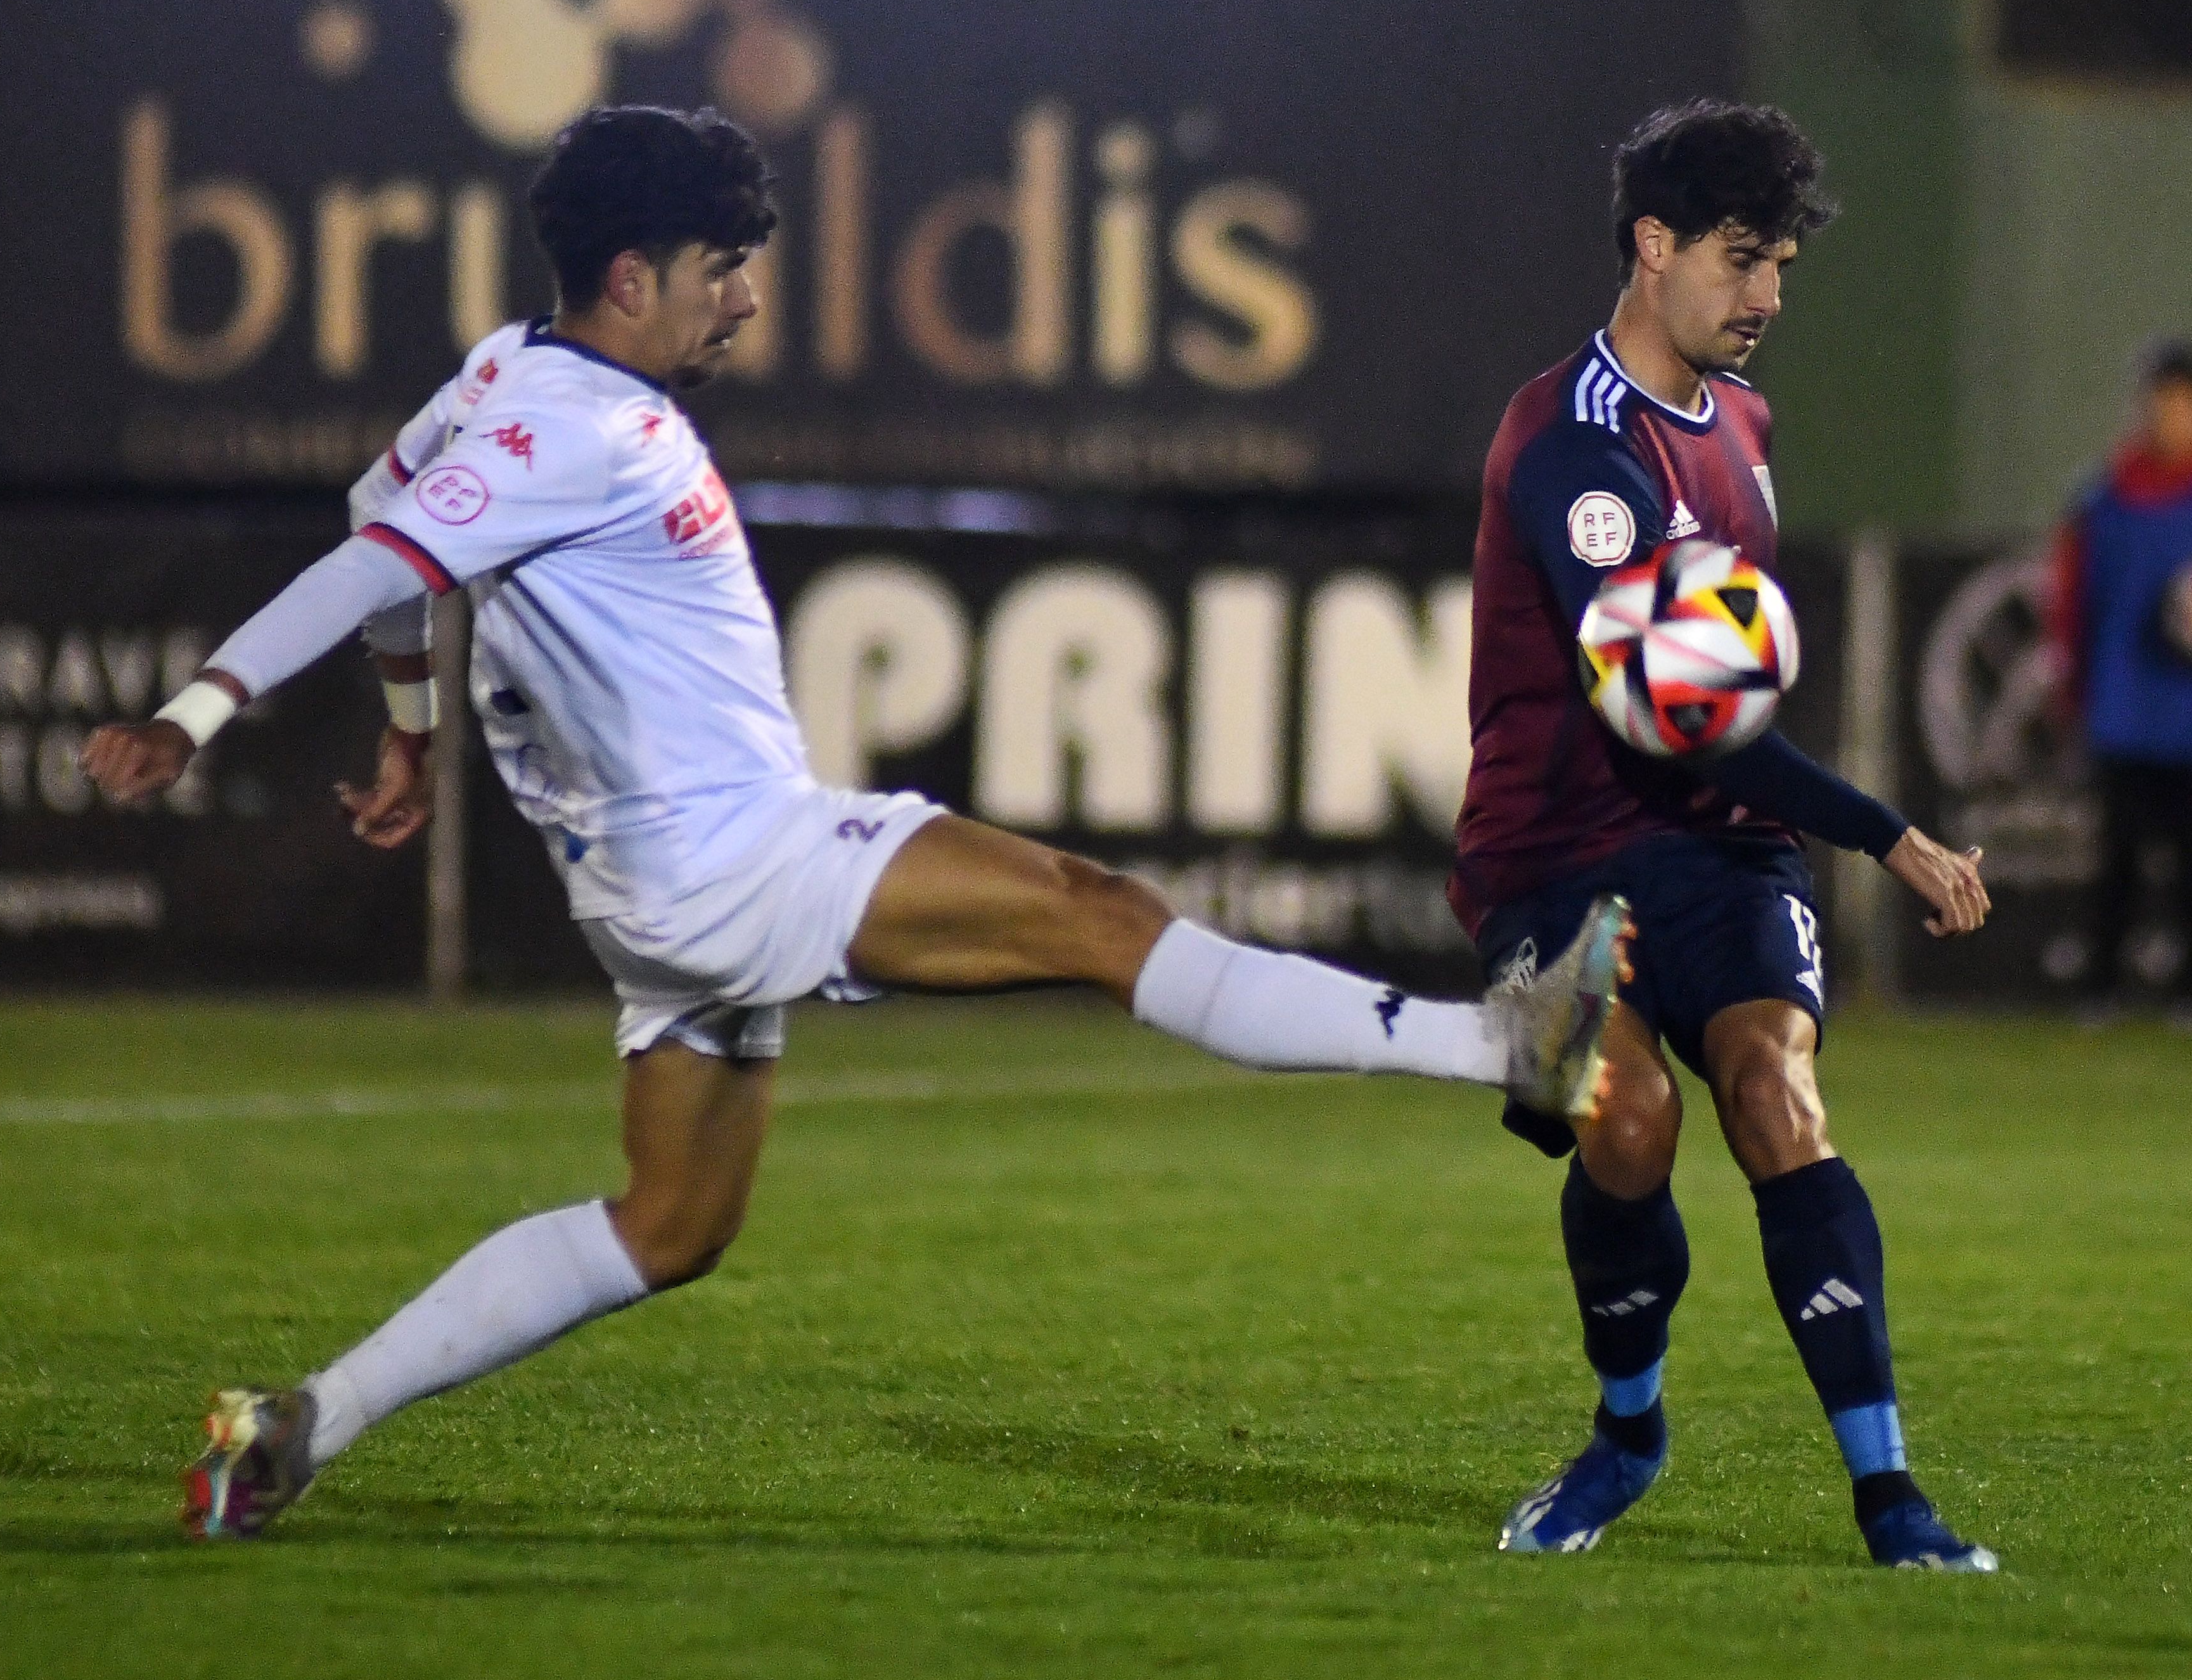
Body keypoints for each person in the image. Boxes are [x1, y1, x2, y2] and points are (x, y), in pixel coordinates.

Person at [80, 105, 1631, 1541]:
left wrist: (410, 730)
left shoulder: (505, 375)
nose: (743, 300)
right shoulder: (580, 430)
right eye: (721, 269)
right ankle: (1502, 1045)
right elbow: (375, 564)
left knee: (670, 1227)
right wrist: (196, 713)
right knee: (1097, 916)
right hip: (728, 854)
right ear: (632, 276)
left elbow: (378, 506)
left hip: (650, 891)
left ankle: (301, 1423)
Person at [1447, 99, 1999, 1570]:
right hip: (1534, 867)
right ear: (1652, 244)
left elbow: (1714, 725)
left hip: (1719, 850)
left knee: (1775, 1095)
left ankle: (1890, 1499)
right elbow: (1673, 710)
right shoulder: (1565, 446)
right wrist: (1889, 835)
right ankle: (1627, 1433)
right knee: (1625, 1124)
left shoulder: (1742, 422)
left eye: (1785, 264)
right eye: (1742, 257)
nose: (1767, 295)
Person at [2046, 340, 2192, 1012]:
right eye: (2163, 405)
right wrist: (2072, 681)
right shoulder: (2104, 499)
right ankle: (2101, 987)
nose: (2174, 419)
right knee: (2118, 852)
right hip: (2123, 704)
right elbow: (2070, 595)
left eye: (2187, 406)